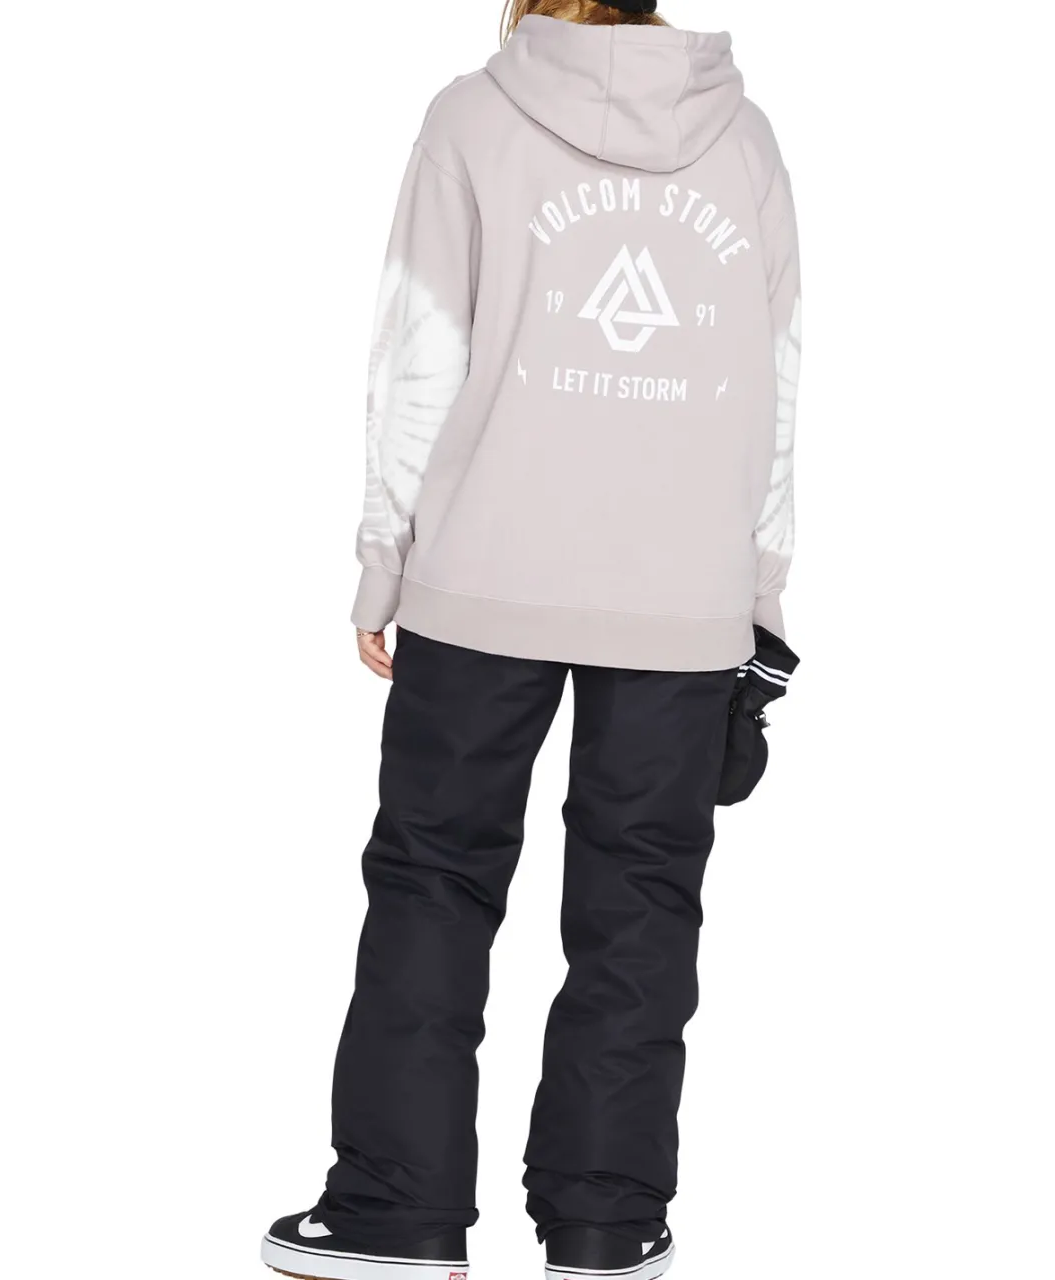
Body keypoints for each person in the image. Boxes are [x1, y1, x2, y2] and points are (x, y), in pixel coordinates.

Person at [261, 0, 800, 1277]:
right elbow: (775, 384)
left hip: (484, 575)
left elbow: (416, 357)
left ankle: (395, 1213)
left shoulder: (471, 119)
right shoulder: (745, 142)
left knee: (434, 880)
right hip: (681, 592)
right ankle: (604, 1224)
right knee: (642, 906)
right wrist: (759, 597)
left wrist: (381, 560)